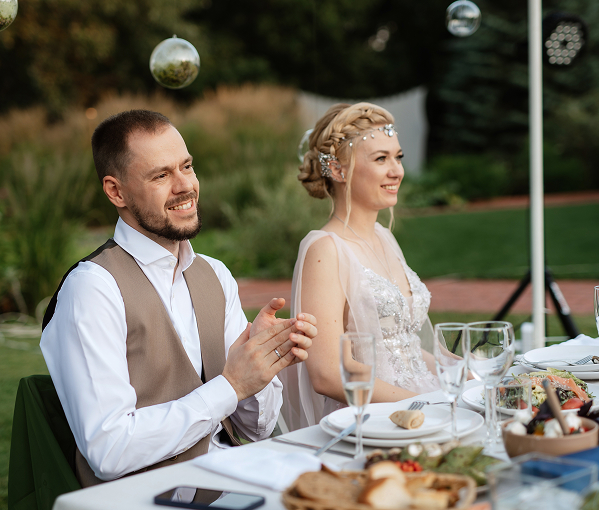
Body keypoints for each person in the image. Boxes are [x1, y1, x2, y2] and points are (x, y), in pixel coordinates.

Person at [40, 109, 316, 486]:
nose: (184, 185)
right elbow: (109, 450)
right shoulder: (92, 288)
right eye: (161, 175)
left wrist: (259, 368)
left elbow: (256, 430)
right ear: (115, 191)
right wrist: (230, 386)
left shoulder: (215, 275)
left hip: (233, 480)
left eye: (186, 167)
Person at [279, 102, 440, 431]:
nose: (397, 171)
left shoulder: (383, 237)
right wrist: (420, 403)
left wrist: (459, 374)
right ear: (338, 170)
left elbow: (402, 347)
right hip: (372, 422)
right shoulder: (325, 250)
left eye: (398, 157)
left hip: (420, 404)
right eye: (381, 159)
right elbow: (327, 373)